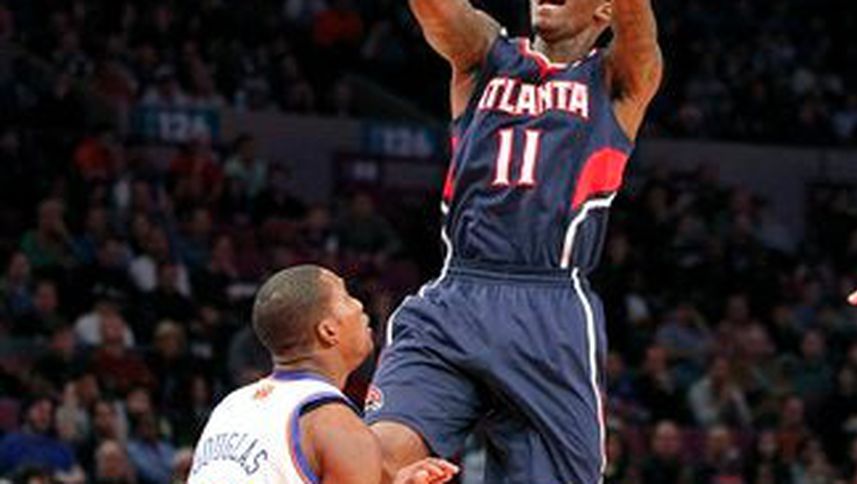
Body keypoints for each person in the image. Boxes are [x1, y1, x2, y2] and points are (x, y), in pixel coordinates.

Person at [364, 0, 662, 481]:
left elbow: (640, 36)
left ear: (605, 10)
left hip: (550, 314)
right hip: (455, 298)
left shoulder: (616, 80)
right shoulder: (488, 53)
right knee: (375, 463)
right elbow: (438, 11)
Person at [188, 265, 457, 483]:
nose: (359, 305)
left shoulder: (230, 407)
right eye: (346, 297)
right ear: (328, 331)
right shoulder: (335, 424)